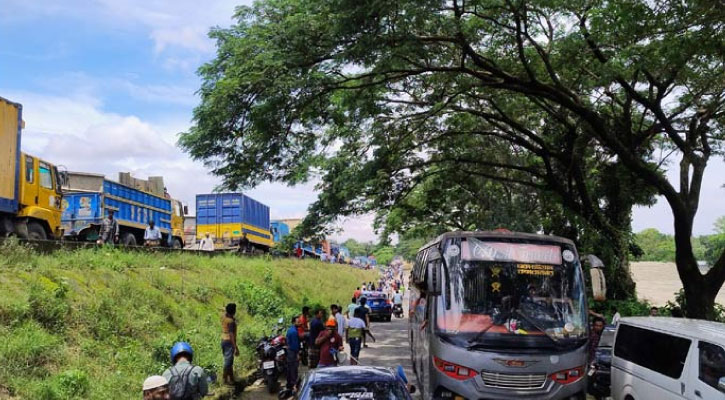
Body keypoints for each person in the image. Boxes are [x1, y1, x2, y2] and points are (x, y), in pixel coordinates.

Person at [221, 303, 240, 385]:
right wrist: (235, 347)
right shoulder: (231, 321)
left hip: (223, 340)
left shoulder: (224, 317)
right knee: (228, 362)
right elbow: (231, 334)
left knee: (229, 361)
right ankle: (224, 380)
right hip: (229, 341)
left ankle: (232, 379)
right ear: (234, 311)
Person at [286, 316, 301, 392]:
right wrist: (298, 354)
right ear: (294, 322)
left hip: (289, 352)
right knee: (293, 369)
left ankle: (289, 385)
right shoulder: (294, 332)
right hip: (293, 352)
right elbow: (295, 345)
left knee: (289, 368)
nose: (299, 323)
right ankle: (294, 386)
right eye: (298, 322)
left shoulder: (289, 330)